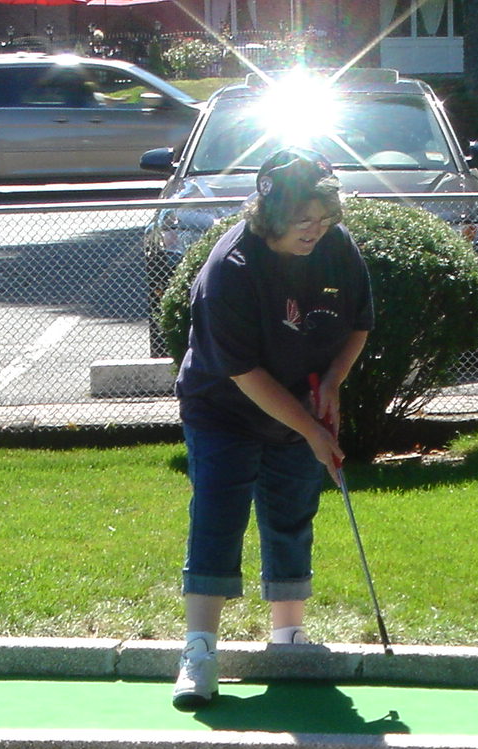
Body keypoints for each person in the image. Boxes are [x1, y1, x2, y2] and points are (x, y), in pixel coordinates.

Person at [170, 149, 374, 710]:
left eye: (324, 219)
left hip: (298, 397)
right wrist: (311, 428)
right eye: (303, 220)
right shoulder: (231, 268)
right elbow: (243, 373)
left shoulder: (335, 246)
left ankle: (288, 640)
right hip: (224, 407)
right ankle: (199, 651)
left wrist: (332, 381)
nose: (315, 230)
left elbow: (358, 322)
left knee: (291, 512)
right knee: (219, 514)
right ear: (271, 213)